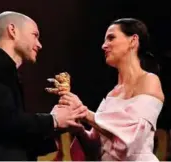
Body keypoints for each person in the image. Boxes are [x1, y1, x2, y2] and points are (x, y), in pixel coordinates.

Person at [0, 11, 86, 160]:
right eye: (35, 35)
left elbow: (10, 134)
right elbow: (7, 121)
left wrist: (60, 124)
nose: (39, 44)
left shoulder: (0, 68)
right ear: (12, 31)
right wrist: (53, 120)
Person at [58, 18, 164, 161]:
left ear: (133, 41)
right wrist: (78, 127)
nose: (103, 46)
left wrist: (84, 112)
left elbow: (131, 141)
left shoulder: (149, 80)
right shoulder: (112, 94)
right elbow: (96, 151)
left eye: (111, 38)